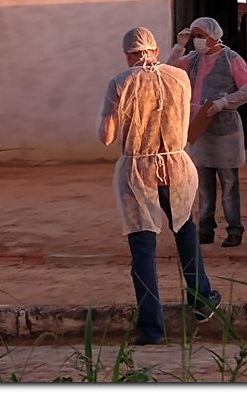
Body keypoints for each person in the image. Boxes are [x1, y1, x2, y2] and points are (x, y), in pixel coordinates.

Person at [98, 26, 222, 345]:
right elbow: (168, 88)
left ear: (128, 53)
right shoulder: (178, 77)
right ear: (153, 50)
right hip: (177, 166)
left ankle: (151, 329)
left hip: (138, 169)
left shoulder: (120, 81)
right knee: (186, 230)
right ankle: (201, 300)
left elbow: (106, 135)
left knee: (143, 246)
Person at [168, 17, 247, 247]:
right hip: (200, 129)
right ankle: (206, 229)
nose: (197, 41)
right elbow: (168, 72)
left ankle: (234, 230)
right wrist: (180, 46)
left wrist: (224, 102)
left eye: (200, 36)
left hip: (224, 128)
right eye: (194, 36)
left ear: (214, 36)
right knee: (204, 185)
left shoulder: (231, 58)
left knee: (229, 184)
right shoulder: (194, 59)